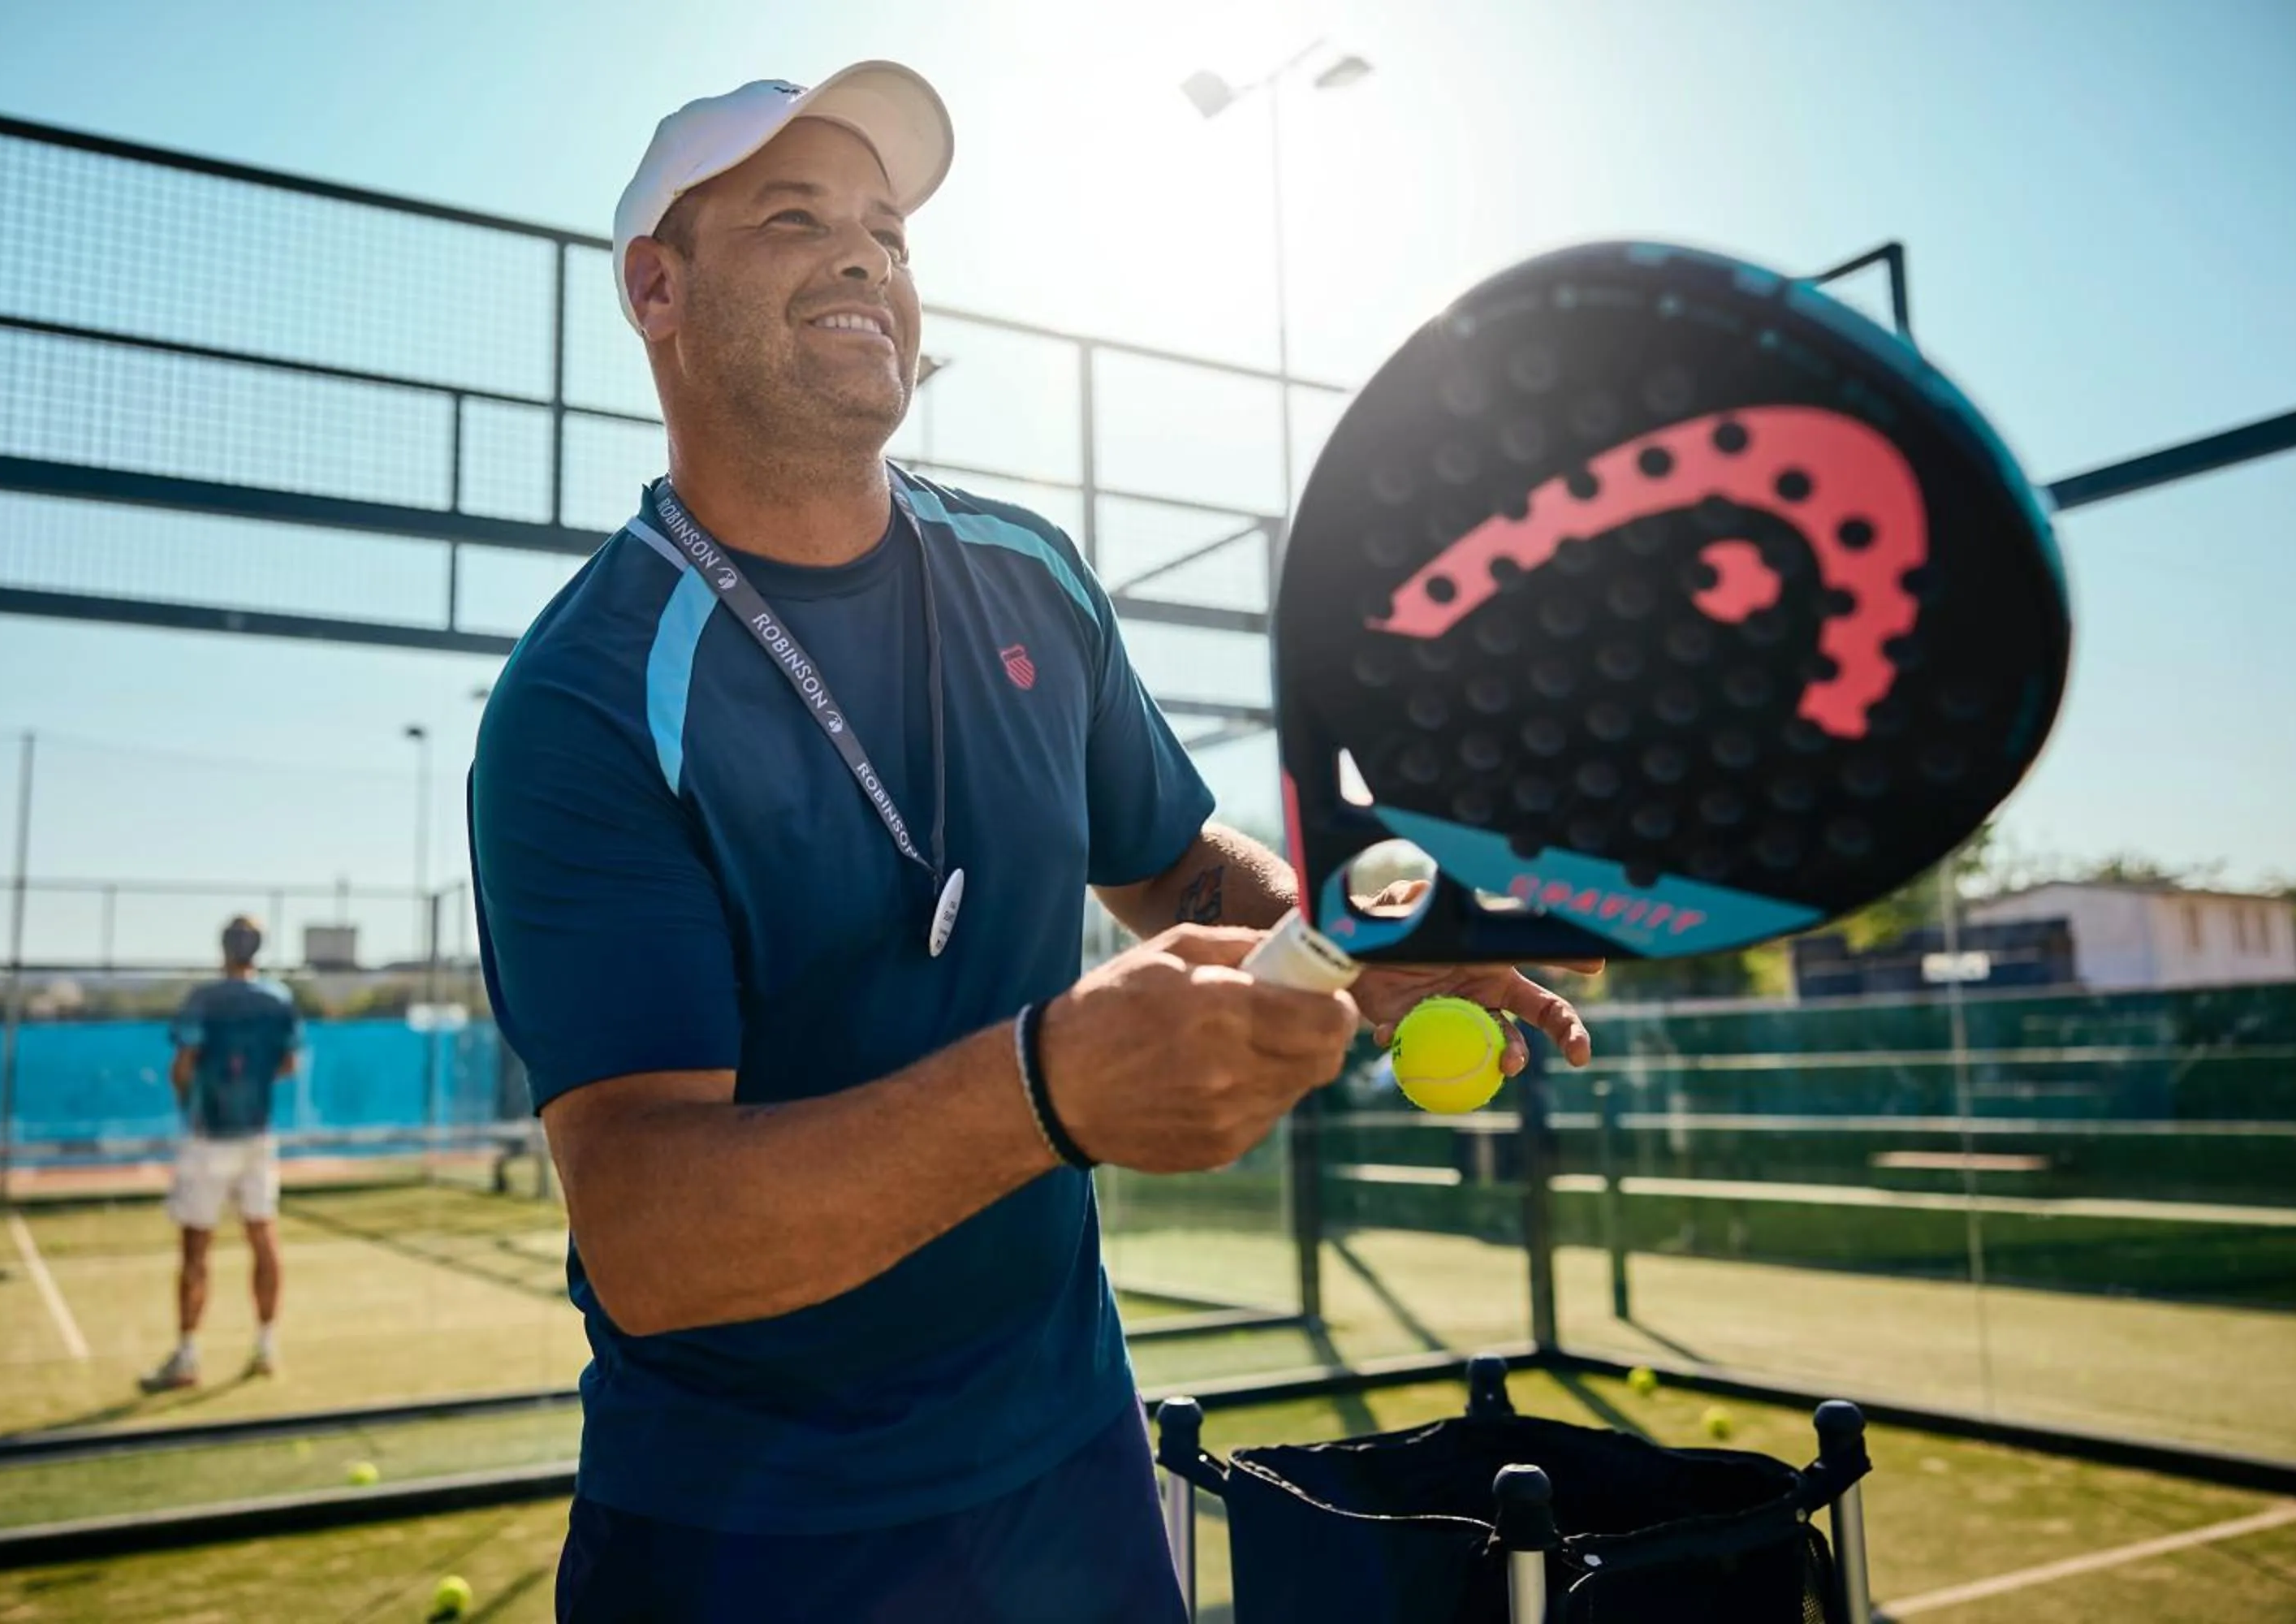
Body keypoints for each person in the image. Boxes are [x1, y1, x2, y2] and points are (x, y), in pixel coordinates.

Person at [468, 62, 1599, 1622]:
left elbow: (1175, 867)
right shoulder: (581, 701)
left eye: (889, 230)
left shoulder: (1031, 576)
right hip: (748, 1528)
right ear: (658, 289)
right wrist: (1048, 1085)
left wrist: (1367, 939)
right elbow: (652, 1237)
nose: (867, 255)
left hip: (1070, 1466)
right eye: (796, 217)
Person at [139, 914, 302, 1393]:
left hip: (207, 1136)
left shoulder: (202, 1000)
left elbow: (183, 1065)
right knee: (263, 1236)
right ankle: (266, 1346)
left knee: (196, 1247)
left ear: (223, 949)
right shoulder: (279, 1000)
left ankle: (188, 1355)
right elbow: (289, 1062)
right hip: (257, 1135)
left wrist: (193, 1099)